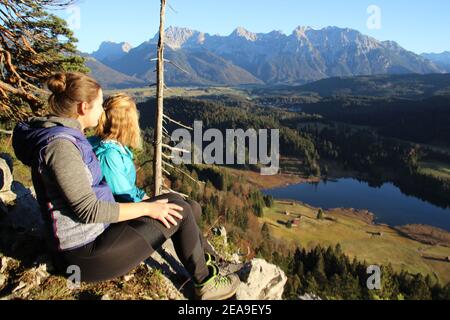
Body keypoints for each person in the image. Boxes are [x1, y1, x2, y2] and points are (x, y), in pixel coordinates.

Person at [12, 72, 240, 300]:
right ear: (83, 108)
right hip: (82, 256)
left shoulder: (66, 137)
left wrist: (150, 206)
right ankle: (205, 283)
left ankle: (206, 267)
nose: (103, 111)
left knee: (176, 204)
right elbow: (89, 210)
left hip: (92, 240)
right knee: (178, 212)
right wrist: (148, 208)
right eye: (100, 105)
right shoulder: (60, 147)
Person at [88, 92, 217, 257]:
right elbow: (123, 195)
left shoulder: (107, 145)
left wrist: (149, 200)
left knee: (191, 206)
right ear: (127, 123)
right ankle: (203, 266)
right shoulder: (109, 155)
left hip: (128, 209)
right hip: (120, 219)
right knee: (185, 209)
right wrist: (149, 204)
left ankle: (206, 255)